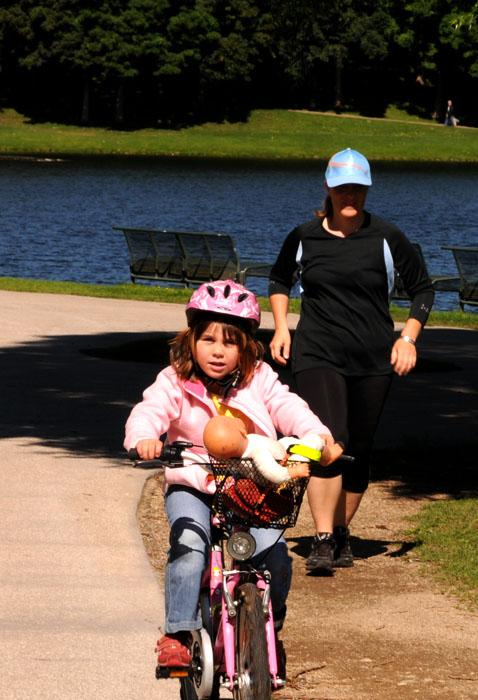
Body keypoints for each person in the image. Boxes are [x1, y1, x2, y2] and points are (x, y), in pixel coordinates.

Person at [124, 279, 333, 669]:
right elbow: (149, 410)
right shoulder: (175, 381)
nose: (218, 352)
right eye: (208, 340)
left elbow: (289, 406)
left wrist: (316, 435)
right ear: (191, 341)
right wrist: (145, 438)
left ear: (246, 347)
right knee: (189, 548)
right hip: (194, 482)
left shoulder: (260, 379)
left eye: (230, 343)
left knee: (276, 556)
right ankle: (179, 634)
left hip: (251, 485)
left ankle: (269, 620)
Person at [268, 148, 435, 574]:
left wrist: (408, 339)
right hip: (317, 352)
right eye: (343, 188)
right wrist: (283, 327)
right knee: (327, 442)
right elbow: (279, 278)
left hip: (372, 358)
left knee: (358, 449)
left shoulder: (386, 236)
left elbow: (423, 290)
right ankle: (322, 540)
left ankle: (342, 532)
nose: (351, 196)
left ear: (367, 190)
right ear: (328, 187)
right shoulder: (305, 236)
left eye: (359, 189)